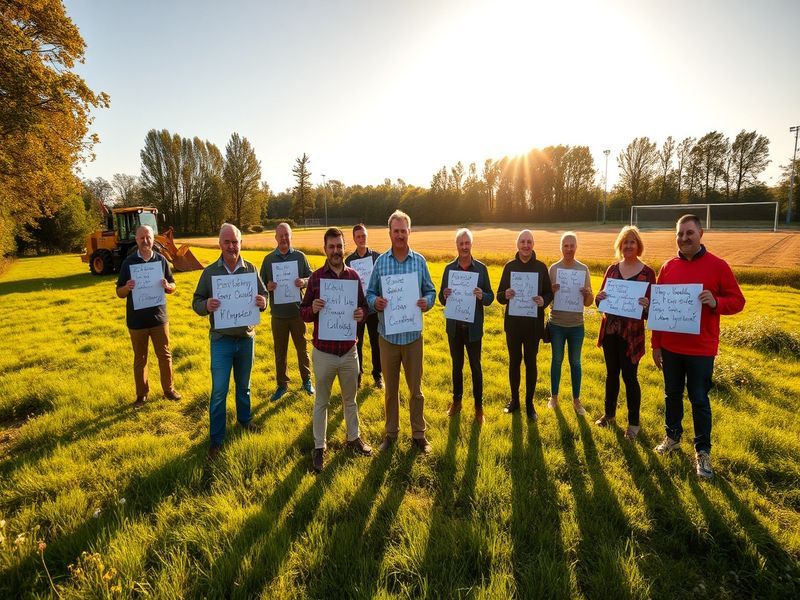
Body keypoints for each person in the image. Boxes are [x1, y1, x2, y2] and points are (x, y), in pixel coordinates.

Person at [652, 214, 745, 479]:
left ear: (700, 233)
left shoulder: (718, 266)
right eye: (680, 234)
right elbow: (660, 310)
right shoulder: (668, 267)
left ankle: (702, 451)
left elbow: (738, 301)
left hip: (701, 349)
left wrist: (716, 302)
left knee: (699, 400)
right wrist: (656, 344)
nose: (684, 239)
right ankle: (672, 438)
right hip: (670, 347)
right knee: (671, 395)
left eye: (689, 233)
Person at [192, 224, 267, 458]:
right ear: (220, 244)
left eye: (235, 242)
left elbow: (264, 296)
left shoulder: (251, 269)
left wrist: (263, 302)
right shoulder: (210, 272)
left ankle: (245, 421)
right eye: (227, 242)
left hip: (246, 339)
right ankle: (216, 439)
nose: (232, 246)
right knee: (219, 391)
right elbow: (196, 302)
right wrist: (206, 305)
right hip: (221, 341)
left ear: (240, 243)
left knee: (244, 387)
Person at [300, 228, 372, 472]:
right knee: (321, 402)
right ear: (325, 249)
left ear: (345, 248)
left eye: (339, 247)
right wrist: (313, 308)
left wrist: (362, 314)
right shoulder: (316, 278)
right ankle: (319, 447)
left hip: (349, 351)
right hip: (324, 353)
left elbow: (364, 308)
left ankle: (353, 438)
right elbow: (303, 312)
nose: (336, 251)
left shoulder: (353, 277)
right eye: (331, 247)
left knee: (350, 400)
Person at [366, 210, 436, 453]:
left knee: (416, 391)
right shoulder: (381, 262)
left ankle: (418, 434)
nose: (399, 235)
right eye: (395, 231)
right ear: (389, 233)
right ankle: (391, 434)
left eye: (403, 231)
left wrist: (427, 301)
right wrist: (376, 303)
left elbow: (431, 291)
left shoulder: (419, 261)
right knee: (390, 391)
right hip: (388, 337)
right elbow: (369, 293)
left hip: (413, 338)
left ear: (409, 232)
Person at [594, 225, 655, 440]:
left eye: (632, 242)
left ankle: (634, 424)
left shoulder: (648, 273)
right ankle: (609, 415)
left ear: (638, 246)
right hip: (610, 332)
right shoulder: (612, 270)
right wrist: (598, 298)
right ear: (620, 245)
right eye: (625, 242)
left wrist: (647, 305)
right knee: (611, 375)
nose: (628, 246)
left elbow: (651, 312)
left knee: (630, 377)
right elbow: (599, 302)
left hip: (631, 335)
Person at [115, 225, 181, 409]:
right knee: (140, 358)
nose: (145, 241)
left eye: (148, 237)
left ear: (154, 239)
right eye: (141, 238)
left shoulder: (161, 260)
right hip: (137, 322)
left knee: (165, 355)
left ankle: (169, 390)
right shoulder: (128, 263)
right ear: (136, 240)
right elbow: (119, 292)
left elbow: (173, 286)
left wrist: (168, 286)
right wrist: (127, 287)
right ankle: (141, 395)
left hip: (159, 319)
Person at [438, 228, 494, 424]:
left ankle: (479, 408)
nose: (464, 247)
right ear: (456, 245)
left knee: (476, 367)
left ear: (471, 245)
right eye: (461, 243)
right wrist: (444, 295)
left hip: (473, 329)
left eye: (466, 243)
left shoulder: (481, 269)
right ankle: (457, 401)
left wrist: (482, 295)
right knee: (456, 366)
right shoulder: (448, 269)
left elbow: (491, 297)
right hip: (454, 328)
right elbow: (441, 298)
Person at [496, 229, 553, 421]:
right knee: (514, 362)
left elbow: (549, 293)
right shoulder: (509, 267)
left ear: (533, 244)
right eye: (522, 242)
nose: (526, 245)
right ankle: (515, 401)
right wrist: (506, 295)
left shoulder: (541, 267)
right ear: (517, 244)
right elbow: (499, 296)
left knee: (531, 363)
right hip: (513, 325)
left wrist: (542, 300)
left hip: (533, 325)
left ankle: (529, 403)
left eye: (529, 242)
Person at [260, 222, 314, 400]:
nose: (284, 238)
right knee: (280, 352)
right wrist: (268, 286)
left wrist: (304, 282)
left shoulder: (300, 256)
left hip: (298, 313)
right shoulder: (268, 260)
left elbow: (312, 277)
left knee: (302, 349)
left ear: (291, 236)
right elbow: (261, 286)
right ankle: (282, 385)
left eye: (287, 235)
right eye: (280, 235)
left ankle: (306, 380)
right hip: (278, 315)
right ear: (275, 237)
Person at [547, 231, 593, 416]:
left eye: (571, 245)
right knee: (556, 361)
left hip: (576, 325)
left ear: (576, 247)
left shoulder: (583, 270)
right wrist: (551, 291)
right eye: (565, 245)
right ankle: (554, 397)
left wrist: (587, 294)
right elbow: (546, 298)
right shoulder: (553, 269)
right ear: (561, 247)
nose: (568, 249)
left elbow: (589, 303)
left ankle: (576, 400)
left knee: (575, 362)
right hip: (556, 324)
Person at [344, 223, 383, 389]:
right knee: (357, 344)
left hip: (373, 309)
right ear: (354, 239)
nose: (361, 239)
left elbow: (383, 281)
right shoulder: (349, 261)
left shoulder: (377, 257)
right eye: (358, 236)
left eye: (364, 236)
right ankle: (357, 377)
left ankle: (378, 376)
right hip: (358, 311)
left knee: (376, 344)